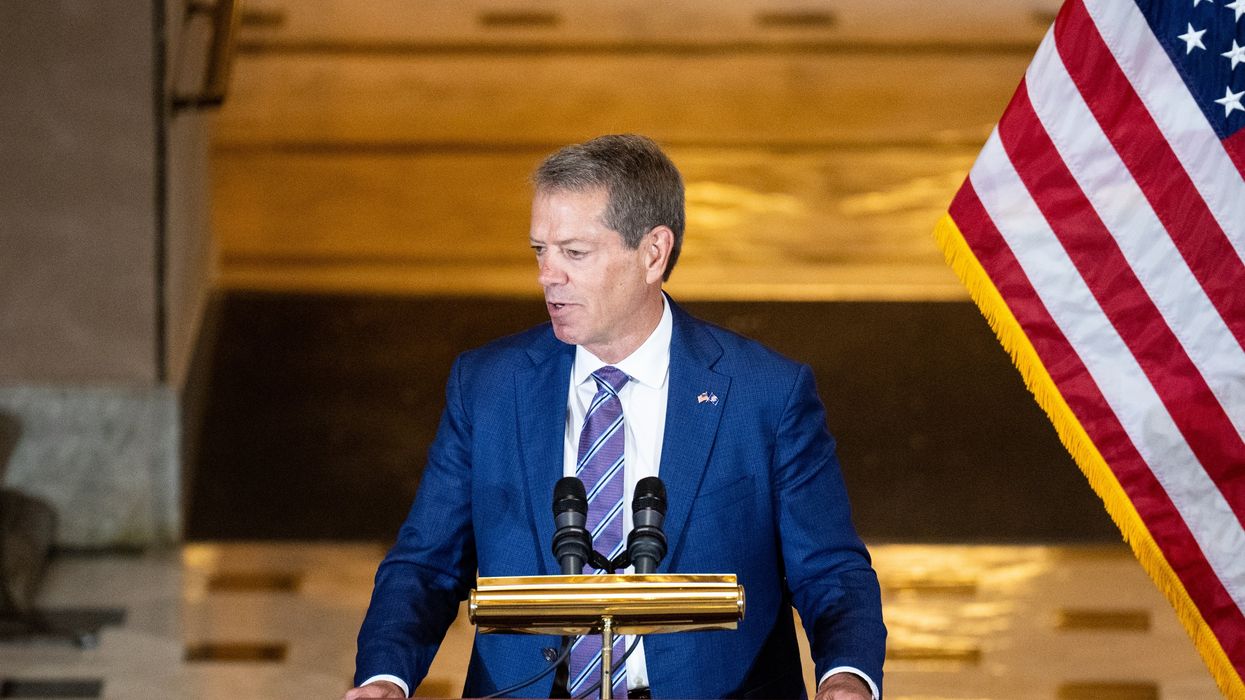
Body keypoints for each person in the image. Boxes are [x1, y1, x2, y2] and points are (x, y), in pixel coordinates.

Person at [345, 135, 885, 699]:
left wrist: (846, 677)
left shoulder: (765, 394)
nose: (548, 275)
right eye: (539, 251)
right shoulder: (487, 386)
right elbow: (425, 566)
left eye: (574, 253)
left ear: (653, 253)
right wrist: (386, 679)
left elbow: (830, 571)